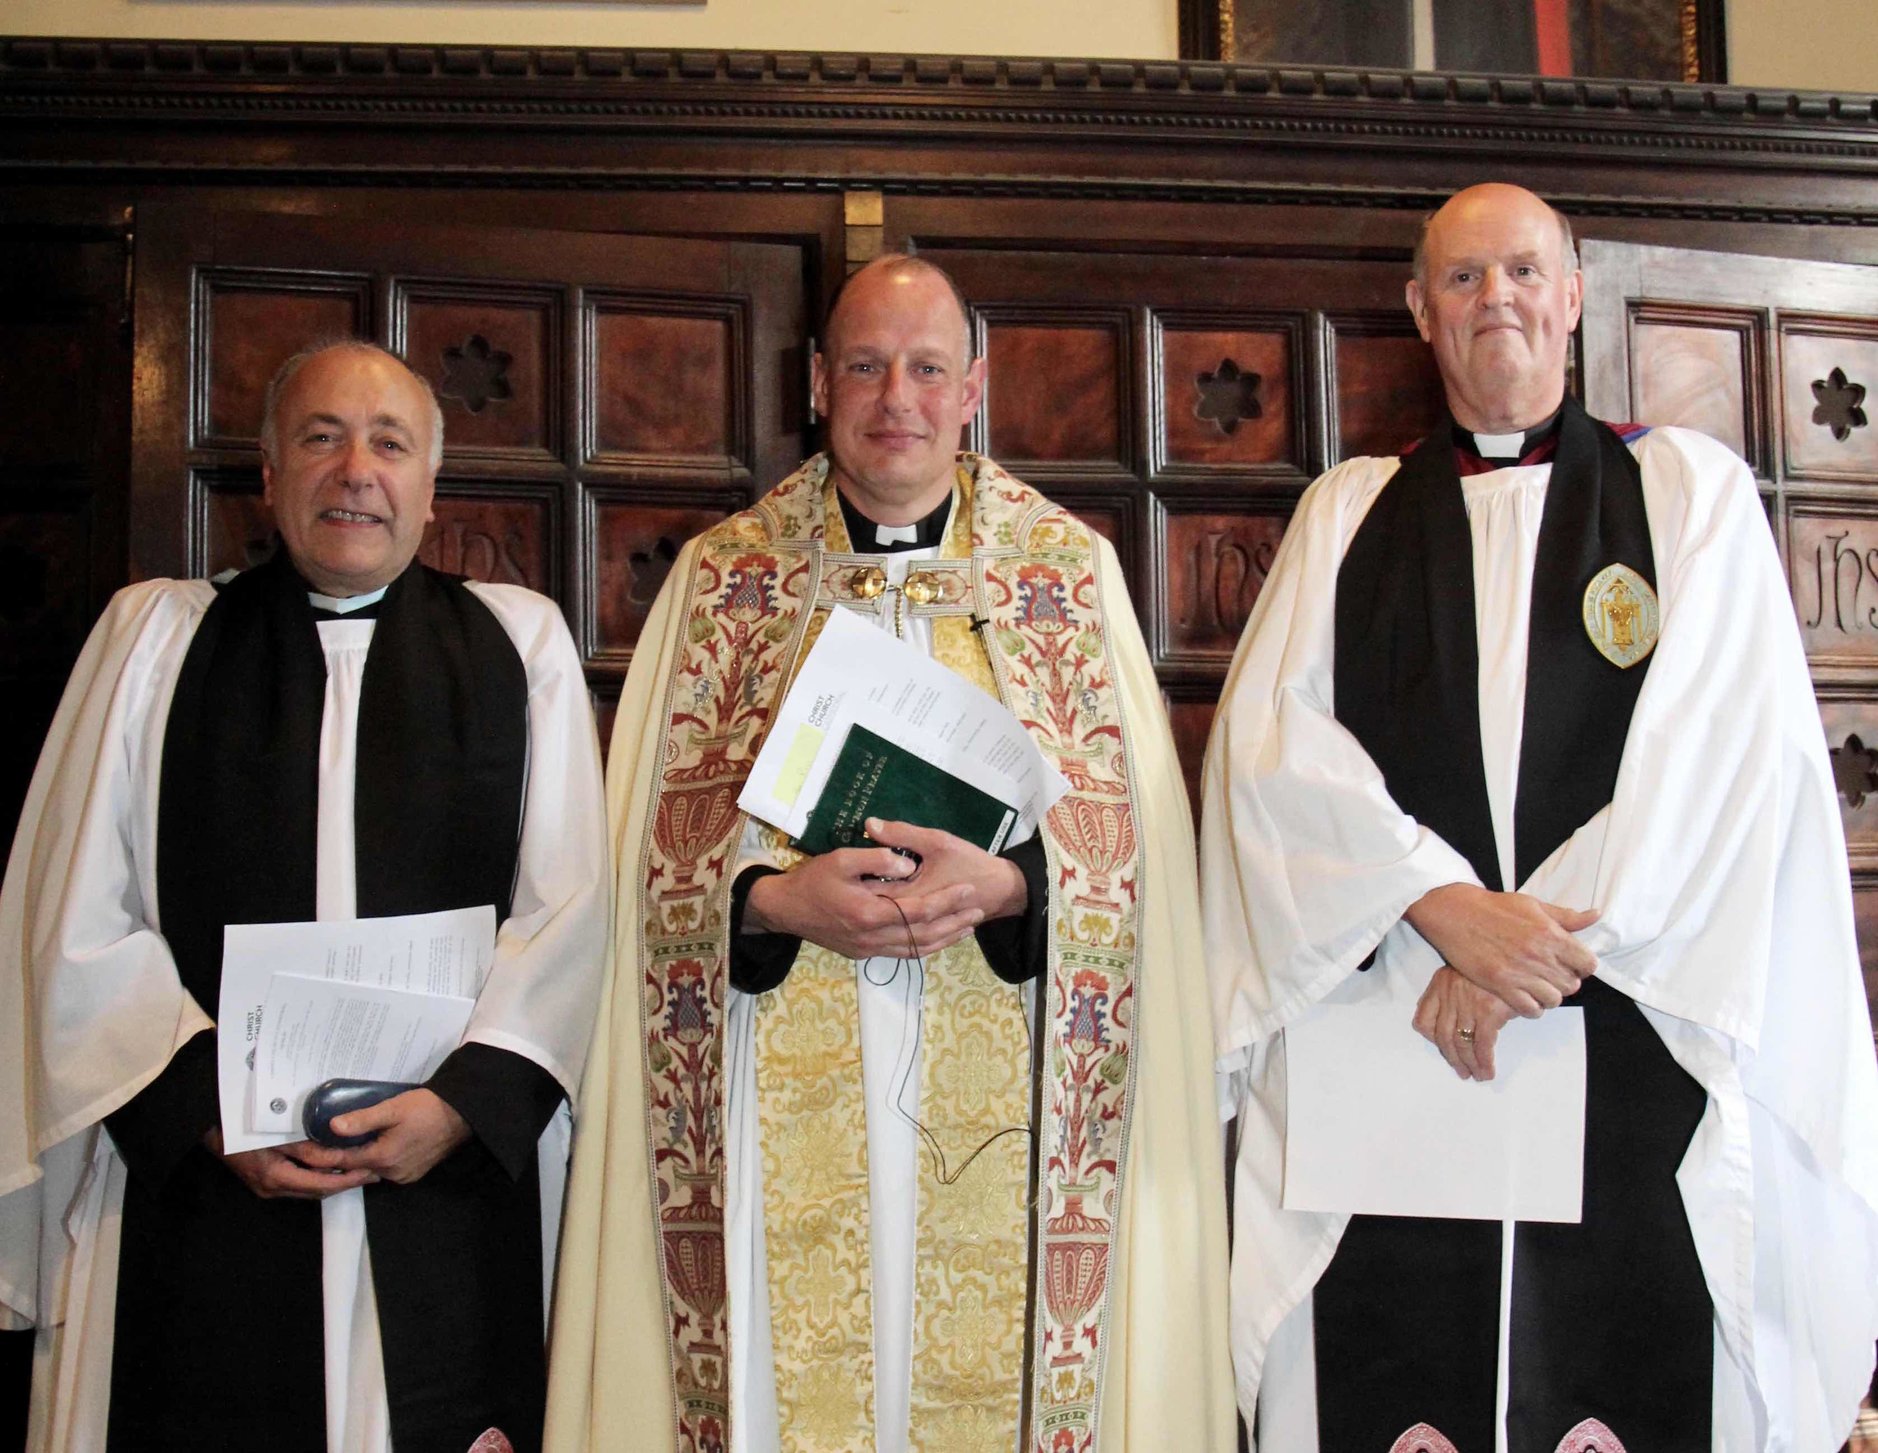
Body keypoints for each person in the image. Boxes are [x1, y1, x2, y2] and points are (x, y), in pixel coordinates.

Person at [1202, 182, 1878, 1451]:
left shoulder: (1689, 497)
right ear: (1417, 311)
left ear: (1574, 295)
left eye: (1522, 271)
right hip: (1399, 1043)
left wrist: (1521, 957)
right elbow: (1271, 762)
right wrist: (1443, 911)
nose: (1495, 299)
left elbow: (1720, 763)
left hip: (1626, 1039)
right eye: (1461, 279)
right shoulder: (1345, 518)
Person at [545, 255, 1233, 1453]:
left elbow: (1141, 872)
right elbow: (644, 878)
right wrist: (769, 902)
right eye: (864, 365)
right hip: (773, 1107)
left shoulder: (1063, 580)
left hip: (1009, 1109)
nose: (895, 398)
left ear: (975, 388)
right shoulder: (724, 588)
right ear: (817, 382)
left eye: (925, 368)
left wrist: (1017, 884)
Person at [0, 340, 609, 1451]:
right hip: (204, 1180)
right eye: (320, 438)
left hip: (447, 1176)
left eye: (389, 443)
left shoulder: (519, 647)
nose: (355, 470)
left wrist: (461, 1107)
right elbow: (74, 918)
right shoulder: (155, 645)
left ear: (431, 486)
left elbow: (570, 909)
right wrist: (209, 1110)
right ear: (267, 476)